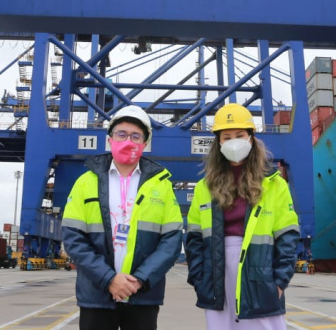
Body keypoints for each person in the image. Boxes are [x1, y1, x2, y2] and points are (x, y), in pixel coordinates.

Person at [62, 105, 183, 330]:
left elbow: (172, 241)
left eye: (136, 136)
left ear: (145, 144)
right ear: (110, 140)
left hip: (142, 294)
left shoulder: (162, 186)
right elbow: (73, 238)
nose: (128, 141)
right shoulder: (85, 183)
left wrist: (140, 279)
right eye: (122, 134)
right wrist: (108, 279)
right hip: (97, 294)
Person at [185, 103, 300, 329]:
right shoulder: (203, 188)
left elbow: (288, 237)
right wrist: (199, 279)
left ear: (251, 138)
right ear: (218, 143)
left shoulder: (274, 184)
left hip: (260, 276)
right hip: (216, 277)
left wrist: (279, 282)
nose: (234, 142)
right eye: (227, 137)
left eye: (239, 135)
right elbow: (194, 240)